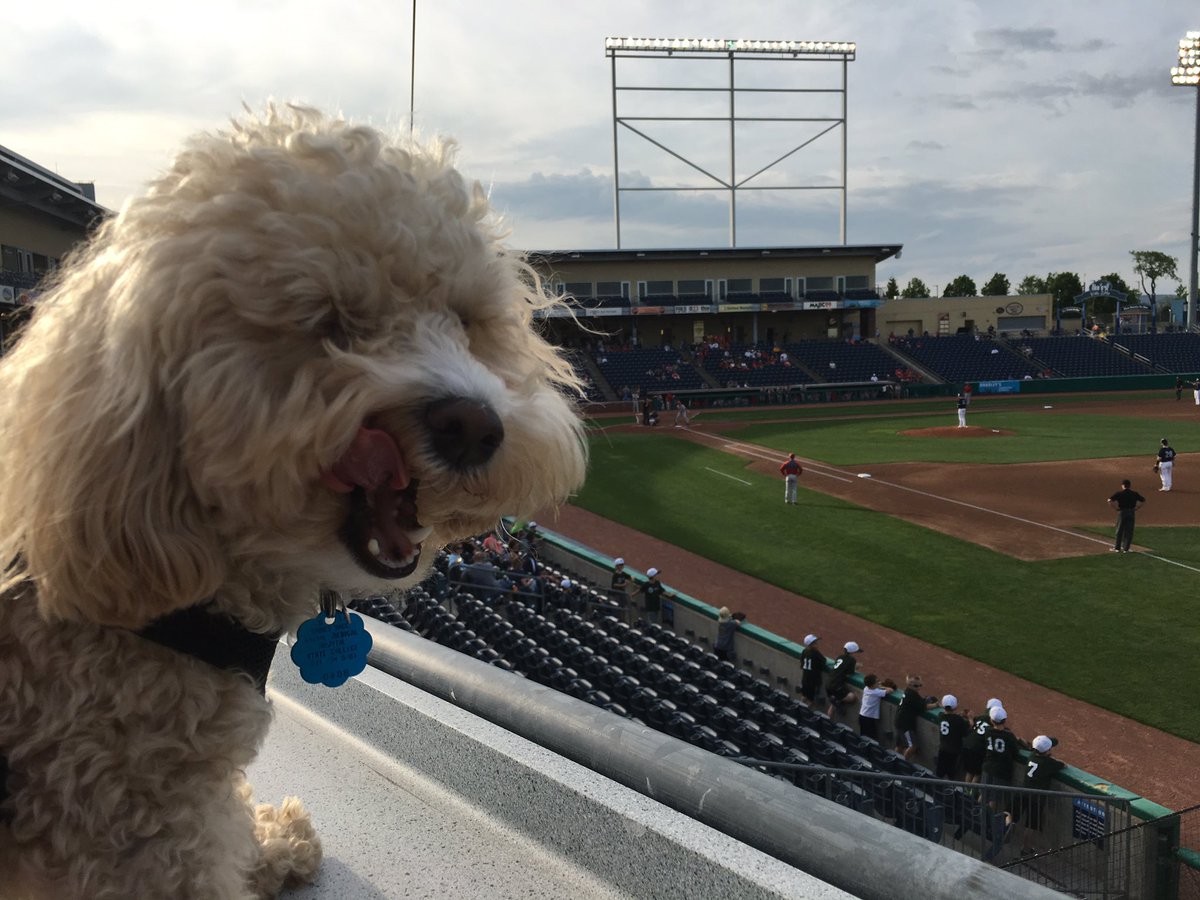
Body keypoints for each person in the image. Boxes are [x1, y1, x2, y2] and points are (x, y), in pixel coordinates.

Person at [1017, 735, 1064, 850]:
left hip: (1023, 792)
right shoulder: (1048, 763)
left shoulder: (1032, 756)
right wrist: (1053, 760)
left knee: (1014, 816)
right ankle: (1026, 849)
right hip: (1036, 799)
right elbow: (1062, 765)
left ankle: (1001, 832)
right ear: (1047, 750)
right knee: (1031, 825)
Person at [894, 675, 937, 760]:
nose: (918, 688)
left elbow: (919, 701)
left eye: (920, 685)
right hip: (905, 724)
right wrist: (936, 705)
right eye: (916, 686)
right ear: (909, 685)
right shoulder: (912, 694)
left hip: (899, 721)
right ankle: (902, 763)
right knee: (913, 746)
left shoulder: (908, 692)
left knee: (900, 745)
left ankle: (894, 760)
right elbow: (925, 707)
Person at [935, 695, 970, 780]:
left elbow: (949, 717)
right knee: (952, 774)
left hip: (942, 749)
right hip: (954, 751)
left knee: (939, 773)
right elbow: (965, 732)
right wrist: (968, 718)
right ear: (955, 706)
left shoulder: (941, 716)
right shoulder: (959, 720)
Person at [1107, 479, 1146, 552]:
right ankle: (1126, 548)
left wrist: (1116, 508)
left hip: (1122, 512)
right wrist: (1137, 508)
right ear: (1129, 485)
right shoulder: (1134, 493)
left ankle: (1117, 548)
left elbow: (1109, 500)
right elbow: (1143, 500)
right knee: (1129, 531)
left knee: (1119, 530)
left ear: (1123, 485)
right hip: (1131, 512)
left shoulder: (1119, 493)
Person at [825, 641, 862, 718]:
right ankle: (837, 700)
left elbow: (842, 668)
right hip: (837, 686)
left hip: (828, 683)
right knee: (852, 697)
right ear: (853, 652)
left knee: (833, 705)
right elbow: (850, 673)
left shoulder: (839, 657)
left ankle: (828, 720)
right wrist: (856, 667)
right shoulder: (852, 660)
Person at [799, 634, 827, 706]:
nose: (817, 644)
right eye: (815, 643)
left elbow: (802, 664)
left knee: (804, 696)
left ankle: (800, 706)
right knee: (810, 700)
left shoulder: (804, 651)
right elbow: (823, 661)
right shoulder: (815, 653)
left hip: (805, 679)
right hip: (812, 681)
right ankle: (805, 713)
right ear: (811, 645)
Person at [858, 674, 887, 741]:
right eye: (877, 681)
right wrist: (885, 687)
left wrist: (879, 686)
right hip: (869, 719)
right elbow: (890, 690)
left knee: (864, 737)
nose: (879, 682)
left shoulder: (866, 688)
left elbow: (877, 688)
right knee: (870, 739)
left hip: (862, 716)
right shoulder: (876, 692)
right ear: (873, 684)